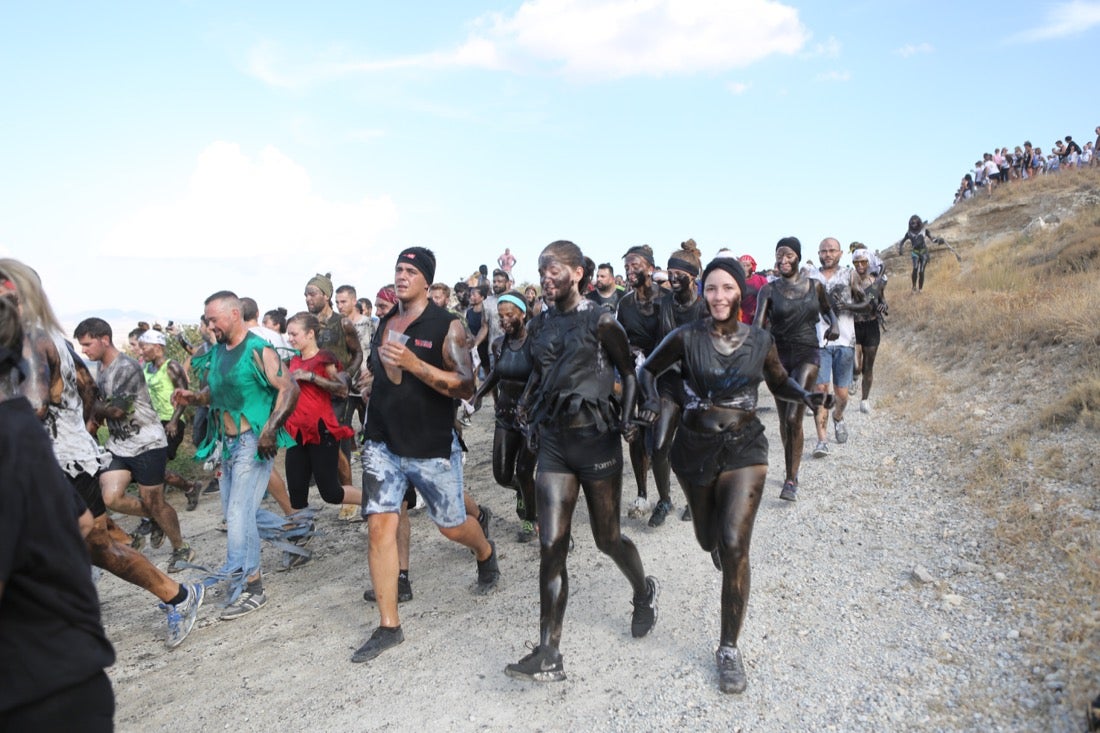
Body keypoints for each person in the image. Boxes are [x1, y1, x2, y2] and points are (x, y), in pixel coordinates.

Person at [639, 256, 828, 693]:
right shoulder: (684, 337)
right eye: (711, 289)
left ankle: (728, 649)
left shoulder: (760, 340)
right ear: (703, 293)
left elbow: (779, 382)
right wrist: (650, 399)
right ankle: (719, 547)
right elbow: (646, 369)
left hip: (746, 448)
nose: (718, 296)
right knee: (710, 540)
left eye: (727, 288)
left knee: (734, 545)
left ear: (740, 292)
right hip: (695, 448)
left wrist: (808, 396)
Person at [2, 259, 205, 650]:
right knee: (98, 545)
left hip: (56, 462)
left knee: (78, 545)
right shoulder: (37, 339)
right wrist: (84, 429)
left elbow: (35, 407)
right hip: (64, 457)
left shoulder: (31, 339)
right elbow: (85, 387)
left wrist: (77, 433)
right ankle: (176, 595)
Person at [505, 240, 658, 683]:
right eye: (540, 270)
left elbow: (628, 372)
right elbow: (540, 369)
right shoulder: (541, 323)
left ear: (576, 272)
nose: (545, 277)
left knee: (607, 539)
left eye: (553, 269)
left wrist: (628, 418)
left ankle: (643, 591)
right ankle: (550, 652)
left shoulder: (601, 319)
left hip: (596, 441)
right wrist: (528, 404)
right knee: (551, 545)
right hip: (554, 443)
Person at [353, 247, 499, 663]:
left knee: (452, 526)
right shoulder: (386, 321)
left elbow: (467, 385)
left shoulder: (446, 325)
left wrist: (418, 366)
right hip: (382, 441)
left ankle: (485, 550)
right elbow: (385, 371)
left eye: (410, 271)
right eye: (398, 269)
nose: (401, 276)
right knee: (380, 527)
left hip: (430, 446)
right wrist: (370, 382)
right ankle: (388, 625)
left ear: (426, 280)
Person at [0, 296, 117, 733]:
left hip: (39, 689)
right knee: (97, 535)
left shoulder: (14, 428)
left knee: (102, 542)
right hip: (65, 671)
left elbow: (47, 402)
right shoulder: (19, 428)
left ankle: (177, 593)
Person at [172, 291, 300, 619]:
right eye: (207, 320)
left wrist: (270, 429)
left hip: (253, 443)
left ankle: (252, 586)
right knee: (237, 514)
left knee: (240, 514)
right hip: (226, 446)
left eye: (213, 319)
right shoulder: (218, 352)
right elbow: (214, 395)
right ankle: (293, 529)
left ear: (233, 314)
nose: (209, 325)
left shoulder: (258, 349)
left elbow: (290, 388)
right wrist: (192, 397)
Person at [73, 318, 196, 572]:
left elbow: (117, 410)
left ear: (104, 340)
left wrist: (91, 404)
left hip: (147, 442)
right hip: (120, 444)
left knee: (154, 501)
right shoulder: (102, 367)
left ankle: (181, 547)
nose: (84, 350)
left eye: (87, 344)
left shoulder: (126, 367)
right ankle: (152, 519)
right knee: (111, 497)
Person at [753, 237, 837, 501]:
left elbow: (828, 311)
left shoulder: (815, 287)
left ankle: (791, 479)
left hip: (807, 354)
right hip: (777, 357)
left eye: (788, 255)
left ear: (798, 257)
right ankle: (793, 464)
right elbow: (758, 325)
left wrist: (833, 324)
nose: (783, 260)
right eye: (779, 255)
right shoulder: (768, 291)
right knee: (783, 419)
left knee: (793, 417)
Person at [283, 311, 363, 562]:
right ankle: (300, 537)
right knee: (296, 490)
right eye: (289, 334)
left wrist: (311, 377)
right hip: (297, 433)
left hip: (322, 431)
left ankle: (375, 502)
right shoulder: (292, 361)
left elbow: (341, 389)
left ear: (309, 334)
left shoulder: (324, 358)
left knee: (330, 492)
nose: (290, 338)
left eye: (294, 334)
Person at [648, 240, 706, 527]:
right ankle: (664, 499)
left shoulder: (706, 309)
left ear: (693, 277)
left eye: (678, 273)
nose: (671, 277)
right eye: (669, 272)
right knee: (659, 446)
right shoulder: (661, 305)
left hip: (697, 386)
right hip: (669, 383)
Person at [472, 290, 537, 542]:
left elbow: (540, 376)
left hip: (531, 417)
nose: (504, 320)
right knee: (502, 474)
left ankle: (531, 519)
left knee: (524, 470)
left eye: (509, 315)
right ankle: (525, 493)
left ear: (522, 313)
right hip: (505, 415)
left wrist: (528, 403)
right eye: (500, 316)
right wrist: (478, 395)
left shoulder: (535, 344)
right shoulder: (499, 345)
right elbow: (496, 375)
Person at [617, 244, 664, 519]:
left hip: (664, 374)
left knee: (660, 438)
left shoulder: (666, 300)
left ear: (649, 267)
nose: (630, 271)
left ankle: (667, 494)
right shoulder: (624, 304)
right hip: (634, 373)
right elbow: (621, 339)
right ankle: (642, 495)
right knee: (633, 431)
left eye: (635, 266)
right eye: (626, 267)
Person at [304, 274, 363, 486]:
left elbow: (357, 354)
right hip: (315, 392)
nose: (307, 298)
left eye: (312, 294)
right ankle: (330, 485)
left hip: (340, 393)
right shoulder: (307, 326)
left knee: (339, 440)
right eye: (305, 295)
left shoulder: (343, 324)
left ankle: (348, 493)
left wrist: (347, 375)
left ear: (326, 295)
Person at [809, 238, 863, 457]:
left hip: (845, 341)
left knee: (841, 394)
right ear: (819, 253)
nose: (828, 254)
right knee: (820, 391)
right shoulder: (810, 276)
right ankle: (822, 441)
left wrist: (848, 305)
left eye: (832, 250)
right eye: (824, 251)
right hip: (818, 341)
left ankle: (838, 417)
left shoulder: (850, 275)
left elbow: (866, 303)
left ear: (841, 253)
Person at [137, 329, 203, 510]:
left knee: (156, 466)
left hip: (171, 422)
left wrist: (174, 420)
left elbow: (184, 396)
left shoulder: (172, 367)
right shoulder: (147, 368)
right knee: (155, 468)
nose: (141, 351)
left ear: (158, 347)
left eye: (145, 347)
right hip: (153, 422)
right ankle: (189, 487)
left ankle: (156, 507)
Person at [850, 249, 888, 413]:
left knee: (868, 367)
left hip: (871, 326)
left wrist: (883, 306)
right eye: (856, 262)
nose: (859, 265)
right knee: (857, 366)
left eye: (863, 262)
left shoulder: (877, 282)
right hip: (854, 325)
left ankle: (864, 400)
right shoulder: (849, 280)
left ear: (869, 262)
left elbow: (882, 300)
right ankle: (854, 376)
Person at [900, 214, 945, 293]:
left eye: (914, 223)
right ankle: (914, 287)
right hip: (915, 253)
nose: (913, 225)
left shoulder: (924, 230)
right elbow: (902, 241)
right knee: (915, 268)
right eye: (911, 223)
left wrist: (939, 241)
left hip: (924, 252)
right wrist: (900, 249)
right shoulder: (909, 233)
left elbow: (933, 239)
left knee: (921, 271)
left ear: (918, 222)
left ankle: (920, 289)